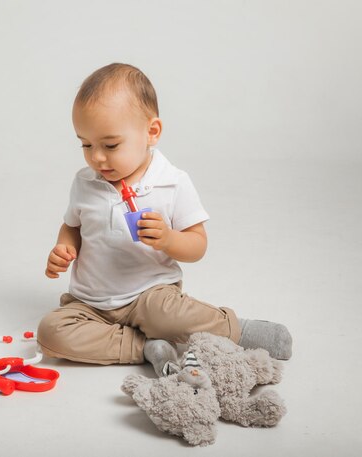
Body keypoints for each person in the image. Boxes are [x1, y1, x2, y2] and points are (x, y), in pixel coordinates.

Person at [38, 63, 292, 376]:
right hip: (90, 303)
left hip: (151, 294)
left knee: (171, 317)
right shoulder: (85, 182)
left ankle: (237, 329)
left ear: (151, 132)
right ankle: (143, 347)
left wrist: (169, 239)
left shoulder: (171, 182)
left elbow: (198, 246)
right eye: (86, 144)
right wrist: (64, 248)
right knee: (51, 333)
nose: (97, 157)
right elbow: (72, 226)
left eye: (110, 145)